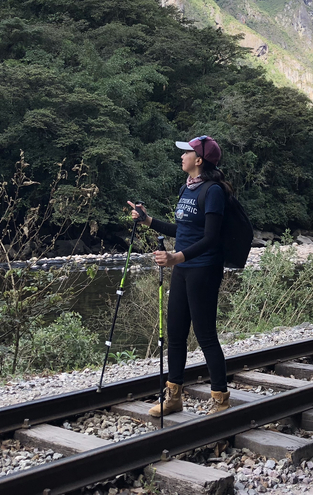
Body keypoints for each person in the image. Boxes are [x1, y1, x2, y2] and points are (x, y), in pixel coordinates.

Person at [127, 135, 231, 416]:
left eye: (187, 152)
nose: (181, 156)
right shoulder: (188, 189)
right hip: (183, 270)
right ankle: (173, 397)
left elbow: (211, 238)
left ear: (199, 160)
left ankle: (220, 400)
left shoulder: (213, 192)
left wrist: (176, 257)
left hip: (204, 269)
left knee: (205, 334)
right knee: (175, 333)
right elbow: (182, 230)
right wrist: (148, 221)